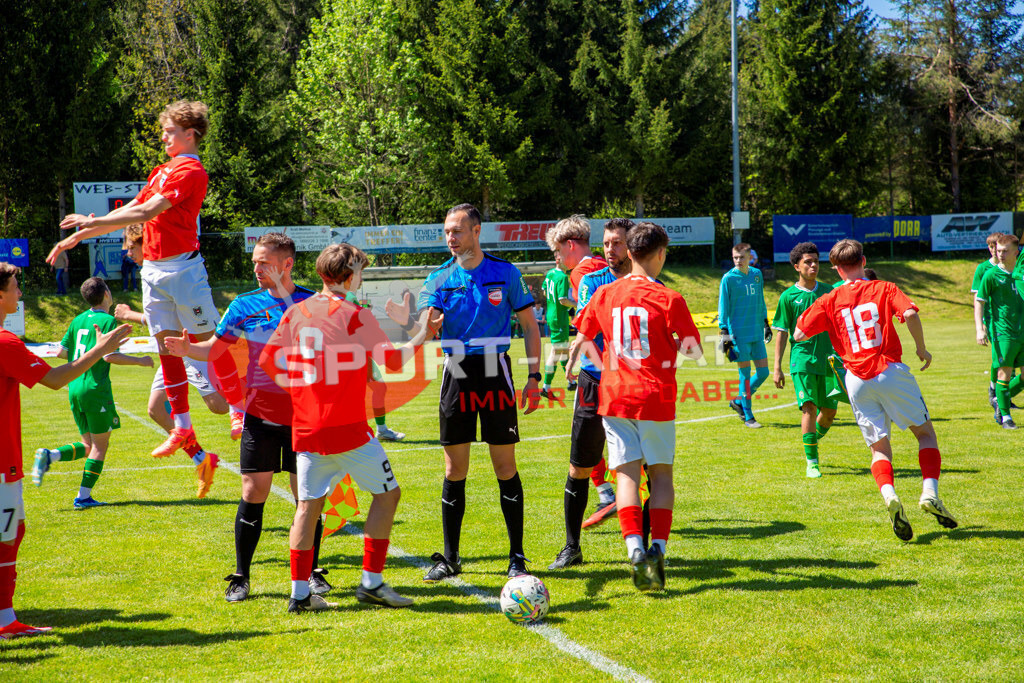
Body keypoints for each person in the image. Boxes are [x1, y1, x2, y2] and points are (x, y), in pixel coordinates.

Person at [260, 243, 442, 611]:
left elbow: (268, 362)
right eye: (360, 270)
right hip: (346, 428)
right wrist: (424, 333)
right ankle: (371, 583)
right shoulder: (355, 315)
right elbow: (392, 362)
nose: (363, 276)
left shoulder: (296, 311)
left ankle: (299, 596)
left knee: (307, 508)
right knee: (388, 494)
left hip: (308, 429)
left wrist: (305, 389)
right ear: (348, 275)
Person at [48, 100, 220, 479]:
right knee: (166, 348)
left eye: (170, 131)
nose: (163, 137)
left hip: (183, 269)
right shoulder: (161, 170)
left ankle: (242, 408)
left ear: (190, 134)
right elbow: (129, 211)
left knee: (212, 348)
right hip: (155, 272)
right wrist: (80, 234)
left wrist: (88, 223)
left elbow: (144, 213)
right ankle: (184, 430)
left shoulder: (189, 169)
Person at [164, 233, 334, 602]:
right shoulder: (245, 305)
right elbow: (215, 348)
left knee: (307, 495)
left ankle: (312, 572)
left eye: (264, 262)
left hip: (306, 416)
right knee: (252, 491)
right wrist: (187, 348)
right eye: (255, 261)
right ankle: (242, 576)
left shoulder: (314, 303)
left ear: (287, 264)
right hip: (261, 412)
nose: (256, 268)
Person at [389, 203, 541, 581]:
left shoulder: (505, 273)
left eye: (457, 231)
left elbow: (529, 326)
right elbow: (426, 326)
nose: (451, 238)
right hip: (455, 370)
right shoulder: (439, 277)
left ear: (476, 231)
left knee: (505, 466)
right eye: (446, 232)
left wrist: (535, 376)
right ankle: (450, 558)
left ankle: (517, 557)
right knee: (455, 468)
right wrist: (415, 340)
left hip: (496, 370)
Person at [566, 222, 702, 591]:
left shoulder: (605, 293)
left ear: (629, 252)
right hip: (655, 396)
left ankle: (634, 550)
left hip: (615, 396)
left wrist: (569, 360)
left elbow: (582, 333)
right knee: (660, 475)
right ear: (659, 254)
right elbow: (693, 349)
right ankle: (657, 548)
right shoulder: (670, 298)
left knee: (625, 475)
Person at [794, 239, 958, 541]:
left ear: (836, 267)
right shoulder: (884, 288)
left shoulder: (830, 298)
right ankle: (929, 493)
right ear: (863, 260)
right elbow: (909, 313)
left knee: (879, 448)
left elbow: (800, 332)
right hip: (889, 369)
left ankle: (890, 495)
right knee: (924, 434)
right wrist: (921, 349)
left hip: (855, 378)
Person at [0, 262, 131, 640]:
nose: (20, 294)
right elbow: (55, 379)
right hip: (1, 461)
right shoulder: (5, 342)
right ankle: (5, 620)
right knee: (9, 533)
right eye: (14, 286)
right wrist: (103, 348)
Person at [549, 218, 634, 569]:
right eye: (607, 243)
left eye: (618, 243)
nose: (611, 249)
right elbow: (588, 322)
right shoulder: (593, 279)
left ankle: (641, 548)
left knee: (636, 466)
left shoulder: (643, 281)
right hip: (594, 380)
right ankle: (572, 547)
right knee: (579, 466)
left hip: (630, 382)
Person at [31, 278, 154, 506]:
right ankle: (83, 497)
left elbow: (61, 352)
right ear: (106, 294)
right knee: (100, 446)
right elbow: (109, 355)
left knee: (88, 445)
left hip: (74, 386)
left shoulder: (77, 320)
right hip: (96, 389)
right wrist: (140, 361)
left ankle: (50, 455)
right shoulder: (108, 320)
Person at [771, 243, 838, 479]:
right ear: (796, 266)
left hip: (829, 360)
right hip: (802, 360)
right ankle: (812, 462)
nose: (813, 265)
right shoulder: (788, 297)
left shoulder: (830, 292)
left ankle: (811, 441)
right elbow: (780, 332)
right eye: (808, 262)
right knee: (808, 407)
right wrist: (777, 367)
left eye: (816, 261)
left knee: (829, 412)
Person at [974, 233, 1024, 429]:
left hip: (1022, 331)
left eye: (1005, 251)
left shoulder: (1020, 273)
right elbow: (979, 301)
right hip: (1003, 332)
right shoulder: (991, 274)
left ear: (1015, 252)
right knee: (1005, 373)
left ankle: (999, 400)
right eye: (999, 250)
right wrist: (980, 328)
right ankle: (1006, 417)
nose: (1000, 254)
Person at [719, 242, 771, 428]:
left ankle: (739, 401)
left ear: (750, 257)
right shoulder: (728, 278)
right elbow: (723, 306)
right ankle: (748, 416)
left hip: (756, 331)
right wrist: (724, 331)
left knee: (764, 372)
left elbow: (761, 300)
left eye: (742, 257)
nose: (738, 261)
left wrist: (765, 323)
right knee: (745, 375)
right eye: (735, 257)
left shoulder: (757, 275)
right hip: (739, 333)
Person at [972, 232, 1006, 411]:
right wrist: (981, 325)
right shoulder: (983, 269)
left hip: (1010, 320)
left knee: (1009, 360)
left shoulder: (1012, 268)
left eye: (997, 246)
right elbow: (978, 298)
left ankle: (1003, 394)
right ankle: (994, 391)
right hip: (992, 321)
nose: (994, 250)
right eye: (991, 247)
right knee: (1001, 358)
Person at [541, 253, 573, 398]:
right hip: (559, 318)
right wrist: (579, 305)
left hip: (552, 315)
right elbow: (563, 300)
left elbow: (544, 290)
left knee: (564, 351)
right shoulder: (562, 277)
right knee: (556, 352)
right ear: (558, 260)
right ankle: (546, 388)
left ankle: (571, 381)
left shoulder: (550, 273)